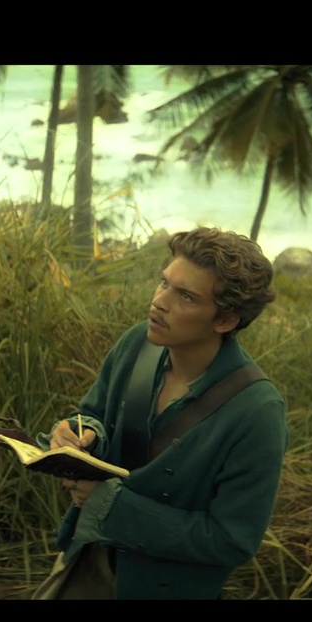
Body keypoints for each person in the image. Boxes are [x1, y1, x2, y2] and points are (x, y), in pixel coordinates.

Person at [36, 227, 287, 599]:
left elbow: (233, 540)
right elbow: (94, 413)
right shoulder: (137, 343)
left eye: (185, 296)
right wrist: (80, 434)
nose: (159, 302)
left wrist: (114, 509)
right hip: (86, 559)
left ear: (225, 321)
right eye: (164, 283)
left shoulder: (257, 411)